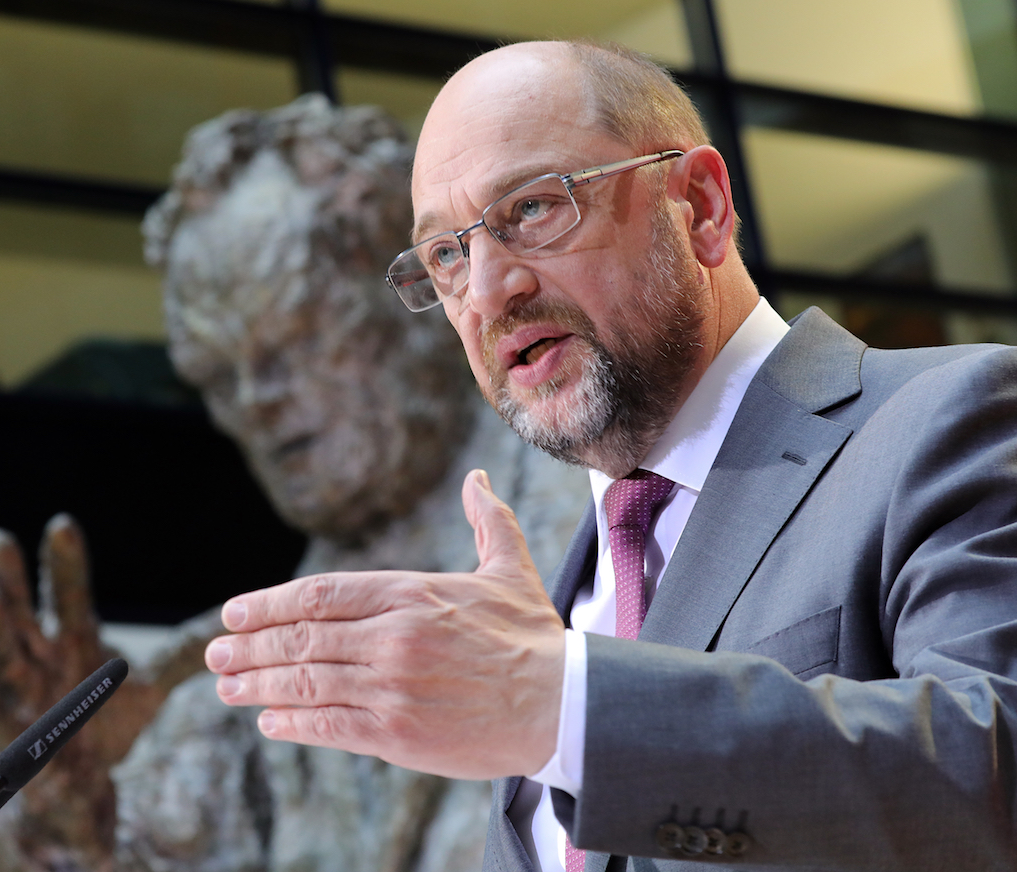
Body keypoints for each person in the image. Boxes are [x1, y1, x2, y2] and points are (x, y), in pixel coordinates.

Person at [204, 41, 1017, 871]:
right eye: (447, 254)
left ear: (699, 206)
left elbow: (996, 769)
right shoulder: (558, 598)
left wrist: (559, 708)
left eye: (530, 209)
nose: (487, 291)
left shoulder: (953, 416)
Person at [0, 94, 591, 872]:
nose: (260, 401)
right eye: (219, 377)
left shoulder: (611, 518)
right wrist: (66, 809)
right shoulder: (232, 676)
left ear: (419, 294)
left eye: (298, 340)